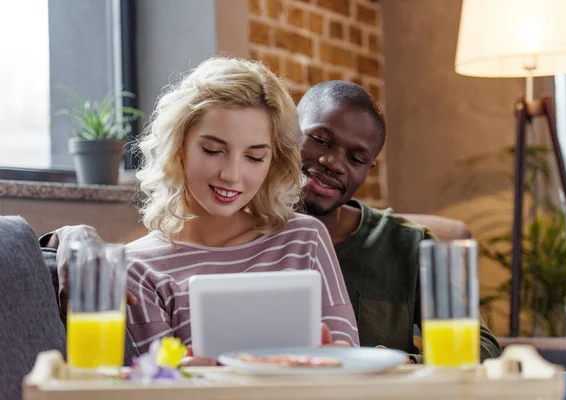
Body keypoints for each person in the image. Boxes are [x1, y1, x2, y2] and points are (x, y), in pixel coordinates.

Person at [53, 57, 359, 360]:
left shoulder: (304, 239)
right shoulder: (139, 268)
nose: (232, 174)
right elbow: (156, 385)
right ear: (179, 146)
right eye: (213, 150)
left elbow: (350, 364)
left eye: (254, 157)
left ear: (273, 161)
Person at [295, 81, 502, 362]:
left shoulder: (406, 245)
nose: (334, 163)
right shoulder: (239, 234)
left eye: (356, 158)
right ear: (288, 133)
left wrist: (404, 364)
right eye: (320, 140)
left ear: (369, 168)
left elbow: (481, 346)